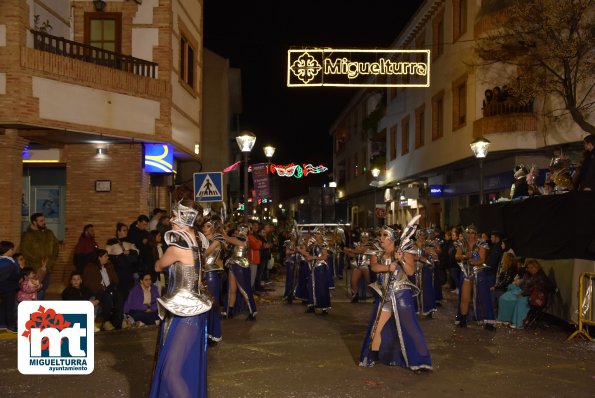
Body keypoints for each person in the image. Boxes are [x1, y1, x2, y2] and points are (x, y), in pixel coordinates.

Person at [150, 200, 212, 398]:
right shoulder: (199, 241)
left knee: (170, 372)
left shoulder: (177, 247)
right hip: (193, 309)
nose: (172, 220)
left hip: (185, 313)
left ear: (187, 219)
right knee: (181, 368)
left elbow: (158, 266)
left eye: (176, 216)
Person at [359, 224, 432, 371]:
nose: (381, 238)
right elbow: (374, 267)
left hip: (401, 294)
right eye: (380, 235)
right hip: (384, 294)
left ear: (392, 238)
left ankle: (422, 361)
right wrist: (388, 267)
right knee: (377, 327)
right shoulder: (376, 250)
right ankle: (375, 356)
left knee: (410, 328)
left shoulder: (404, 250)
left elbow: (410, 272)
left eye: (384, 235)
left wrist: (401, 260)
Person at [454, 225, 496, 331]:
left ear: (476, 234)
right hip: (466, 272)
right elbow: (457, 256)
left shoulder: (481, 244)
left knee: (483, 297)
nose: (470, 235)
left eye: (472, 233)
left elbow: (482, 259)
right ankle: (463, 319)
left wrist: (474, 261)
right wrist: (465, 257)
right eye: (468, 232)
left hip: (478, 272)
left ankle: (488, 322)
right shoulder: (461, 243)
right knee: (465, 297)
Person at [497, 259, 549, 329]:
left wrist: (523, 294)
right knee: (505, 298)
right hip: (527, 293)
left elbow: (534, 289)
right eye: (529, 268)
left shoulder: (540, 277)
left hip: (535, 297)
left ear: (537, 267)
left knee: (520, 301)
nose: (531, 269)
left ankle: (519, 322)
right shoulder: (532, 275)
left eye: (532, 267)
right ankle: (506, 318)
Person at [18, 212, 59, 299]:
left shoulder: (49, 233)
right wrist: (39, 262)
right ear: (34, 222)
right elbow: (25, 251)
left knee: (44, 288)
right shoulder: (28, 235)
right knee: (35, 289)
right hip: (35, 269)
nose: (44, 222)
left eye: (44, 220)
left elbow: (56, 246)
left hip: (48, 267)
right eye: (41, 221)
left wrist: (52, 260)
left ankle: (40, 309)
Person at [223, 224, 258, 320]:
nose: (236, 232)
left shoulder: (242, 240)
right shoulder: (238, 240)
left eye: (238, 230)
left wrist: (221, 229)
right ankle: (229, 312)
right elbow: (227, 246)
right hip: (233, 264)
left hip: (240, 266)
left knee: (244, 290)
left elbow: (226, 238)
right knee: (232, 290)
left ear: (243, 231)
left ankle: (252, 312)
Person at [201, 217, 227, 343]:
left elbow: (204, 254)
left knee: (212, 304)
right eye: (203, 226)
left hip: (212, 273)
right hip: (205, 273)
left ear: (212, 228)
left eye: (206, 226)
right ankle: (208, 334)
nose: (203, 228)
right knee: (206, 304)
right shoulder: (204, 239)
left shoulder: (217, 240)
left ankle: (213, 334)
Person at [83, 249, 119, 331]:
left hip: (109, 289)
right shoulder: (90, 267)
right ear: (99, 257)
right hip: (98, 292)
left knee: (119, 295)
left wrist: (111, 287)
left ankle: (119, 319)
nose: (108, 257)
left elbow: (115, 279)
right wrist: (103, 289)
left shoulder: (109, 266)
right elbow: (89, 283)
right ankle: (106, 321)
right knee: (106, 296)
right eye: (105, 256)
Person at [304, 229, 332, 315]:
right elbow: (308, 253)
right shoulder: (312, 244)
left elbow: (324, 257)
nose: (316, 235)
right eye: (315, 233)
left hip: (320, 268)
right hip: (313, 268)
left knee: (321, 287)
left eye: (318, 233)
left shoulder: (324, 244)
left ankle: (324, 307)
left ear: (322, 235)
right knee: (311, 286)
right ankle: (311, 305)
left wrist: (313, 258)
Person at [343, 231, 374, 303]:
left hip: (366, 266)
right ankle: (355, 296)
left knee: (370, 283)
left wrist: (349, 250)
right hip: (358, 266)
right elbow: (355, 255)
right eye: (363, 237)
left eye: (366, 237)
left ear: (368, 238)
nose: (364, 239)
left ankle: (376, 297)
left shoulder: (370, 245)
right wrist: (347, 253)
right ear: (360, 237)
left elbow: (359, 251)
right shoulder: (358, 245)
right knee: (353, 282)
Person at [0, 241, 20, 333]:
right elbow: (15, 274)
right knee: (10, 307)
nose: (13, 251)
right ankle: (10, 325)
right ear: (8, 250)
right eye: (12, 249)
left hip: (3, 288)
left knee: (3, 306)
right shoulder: (10, 262)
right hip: (9, 288)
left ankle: (2, 324)